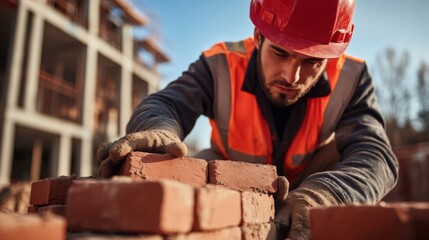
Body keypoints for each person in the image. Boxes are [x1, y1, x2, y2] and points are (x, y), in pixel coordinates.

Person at [97, 0, 398, 239]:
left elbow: (377, 157)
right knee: (193, 167)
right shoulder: (220, 65)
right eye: (280, 53)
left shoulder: (351, 77)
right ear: (258, 37)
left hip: (311, 181)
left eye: (312, 62)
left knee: (353, 180)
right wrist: (157, 129)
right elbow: (167, 103)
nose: (292, 77)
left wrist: (327, 195)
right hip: (234, 180)